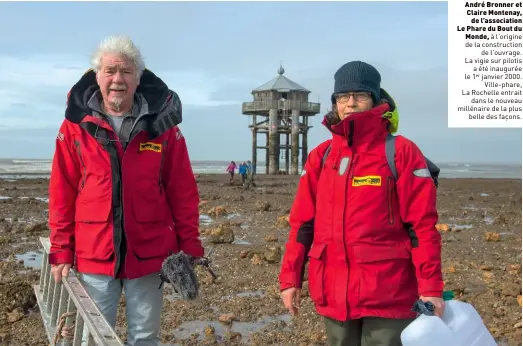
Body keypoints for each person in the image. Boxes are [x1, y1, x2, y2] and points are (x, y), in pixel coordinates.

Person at [48, 35, 204, 346]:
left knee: (145, 337)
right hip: (94, 254)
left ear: (138, 78)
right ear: (97, 76)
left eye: (127, 71)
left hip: (150, 254)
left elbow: (182, 190)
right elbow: (62, 191)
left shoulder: (164, 125)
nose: (118, 79)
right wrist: (61, 249)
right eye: (110, 71)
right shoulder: (74, 126)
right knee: (90, 337)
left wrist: (190, 244)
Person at [278, 61, 444, 346]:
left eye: (360, 96)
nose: (350, 103)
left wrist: (431, 288)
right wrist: (290, 279)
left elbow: (422, 227)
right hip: (332, 290)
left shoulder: (401, 152)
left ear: (376, 100)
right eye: (342, 97)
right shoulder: (321, 156)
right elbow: (303, 224)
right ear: (335, 103)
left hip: (388, 294)